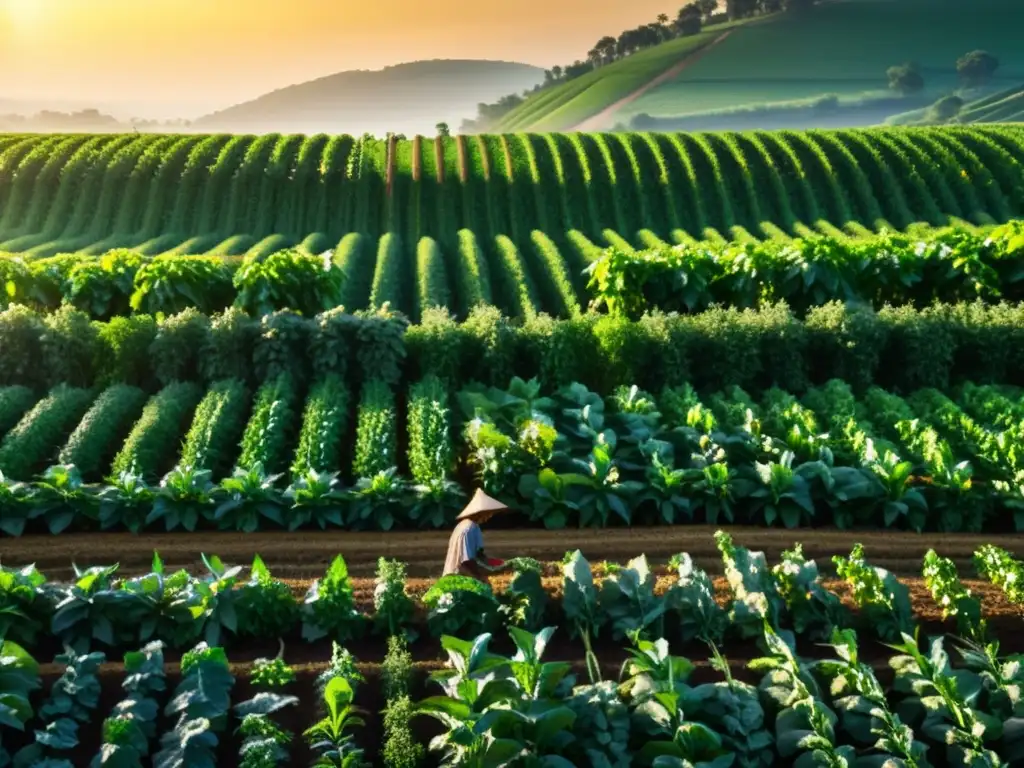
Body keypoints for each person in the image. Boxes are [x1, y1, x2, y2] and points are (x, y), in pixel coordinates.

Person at [443, 488, 510, 582]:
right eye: (488, 513)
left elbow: (479, 556)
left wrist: (499, 564)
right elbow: (466, 561)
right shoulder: (469, 528)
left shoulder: (466, 526)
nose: (489, 516)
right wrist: (479, 578)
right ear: (480, 513)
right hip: (460, 578)